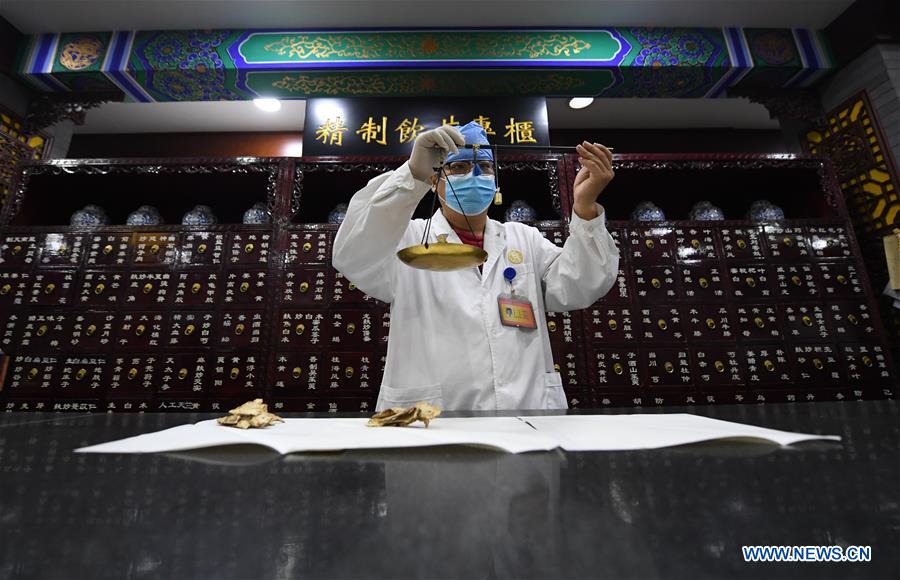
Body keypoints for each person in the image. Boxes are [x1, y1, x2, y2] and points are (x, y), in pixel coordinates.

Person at [332, 121, 619, 411]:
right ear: (435, 180)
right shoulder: (408, 240)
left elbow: (581, 284)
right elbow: (352, 255)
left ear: (495, 181)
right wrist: (412, 174)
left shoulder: (524, 240)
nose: (474, 175)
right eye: (459, 167)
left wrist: (585, 207)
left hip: (526, 412)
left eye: (484, 166)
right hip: (435, 418)